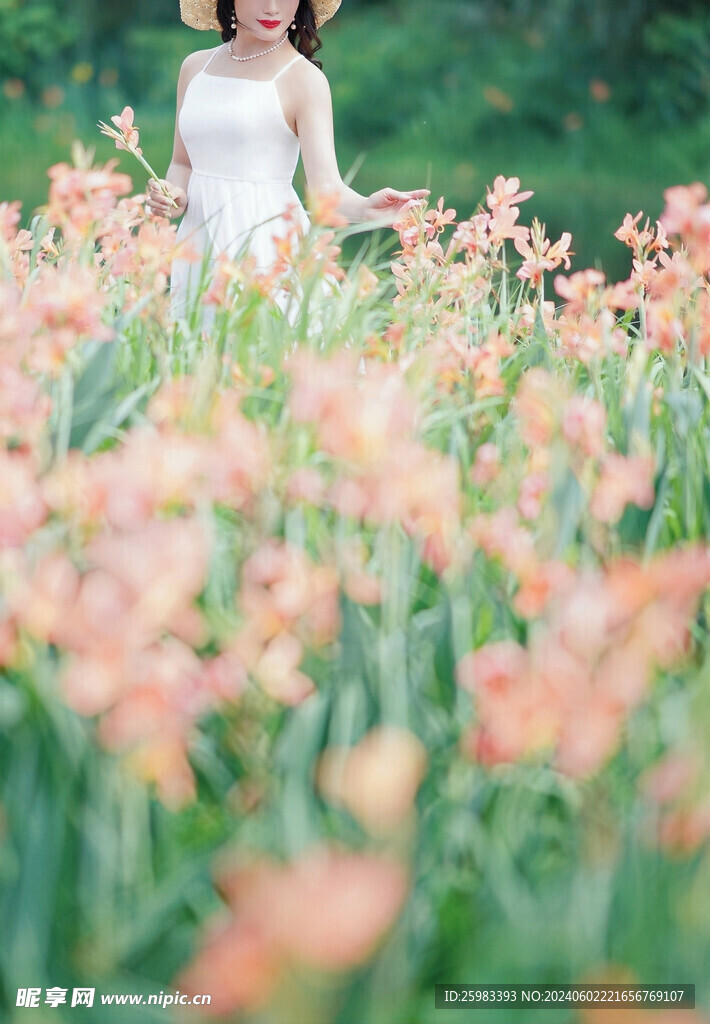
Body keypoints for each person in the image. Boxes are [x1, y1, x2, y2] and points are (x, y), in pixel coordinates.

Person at [146, 0, 430, 326]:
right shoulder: (196, 68)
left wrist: (368, 209)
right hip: (198, 246)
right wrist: (173, 195)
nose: (272, 8)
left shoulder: (304, 80)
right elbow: (182, 163)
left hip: (267, 251)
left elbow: (326, 190)